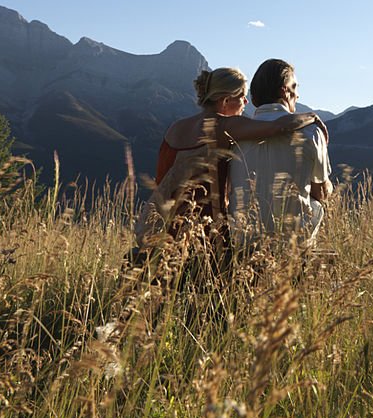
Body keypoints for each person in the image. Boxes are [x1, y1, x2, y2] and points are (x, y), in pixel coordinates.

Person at [135, 67, 320, 268]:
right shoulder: (225, 126)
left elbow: (162, 177)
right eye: (241, 96)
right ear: (225, 100)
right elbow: (276, 128)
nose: (246, 102)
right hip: (205, 234)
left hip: (163, 227)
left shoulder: (175, 128)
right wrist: (310, 117)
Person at [231, 59, 333, 248]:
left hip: (243, 240)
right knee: (318, 201)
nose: (298, 95)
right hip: (291, 241)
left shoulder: (235, 133)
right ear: (284, 91)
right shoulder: (311, 133)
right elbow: (320, 193)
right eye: (295, 87)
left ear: (253, 98)